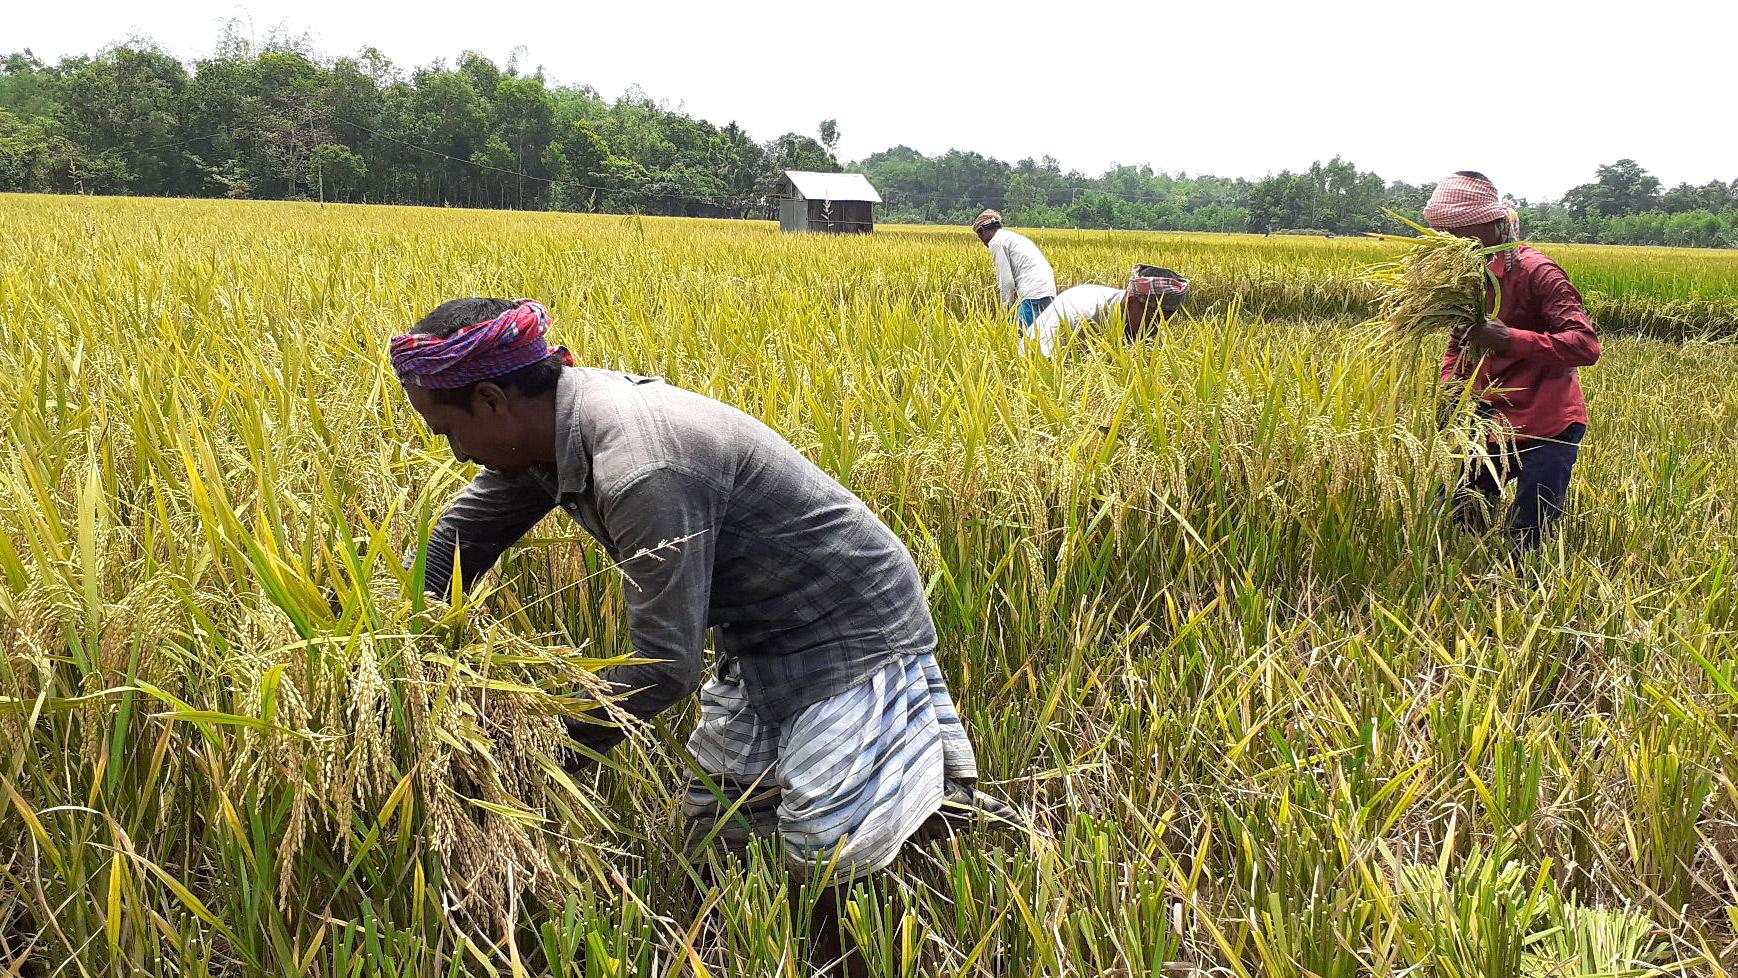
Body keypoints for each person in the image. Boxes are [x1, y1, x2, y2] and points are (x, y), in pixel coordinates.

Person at [392, 297, 1011, 972]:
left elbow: (664, 668)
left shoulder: (640, 467)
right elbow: (462, 534)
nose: (447, 449)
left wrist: (535, 753)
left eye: (445, 429)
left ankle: (851, 957)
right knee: (722, 821)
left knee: (830, 851)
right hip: (760, 629)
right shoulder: (543, 435)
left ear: (490, 400)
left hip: (845, 622)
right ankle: (736, 954)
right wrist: (398, 626)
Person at [1425, 172, 1601, 551]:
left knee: (1529, 535)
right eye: (1444, 235)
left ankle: (1525, 597)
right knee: (1455, 521)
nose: (1450, 244)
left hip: (1547, 425)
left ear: (1492, 225)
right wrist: (1449, 390)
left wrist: (1511, 340)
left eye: (1459, 233)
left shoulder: (1539, 273)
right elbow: (1460, 342)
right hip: (1488, 421)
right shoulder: (1465, 276)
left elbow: (1585, 345)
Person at [1022, 265, 1190, 357]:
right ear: (1131, 301)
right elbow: (1036, 362)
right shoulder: (1078, 312)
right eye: (1154, 317)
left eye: (1166, 319)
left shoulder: (1150, 329)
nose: (1158, 326)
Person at [972, 209, 1056, 330]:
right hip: (1047, 290)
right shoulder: (1010, 237)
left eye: (980, 236)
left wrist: (1006, 311)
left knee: (1021, 338)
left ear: (983, 230)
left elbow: (1006, 281)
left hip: (1033, 293)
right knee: (1044, 336)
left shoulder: (996, 242)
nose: (983, 242)